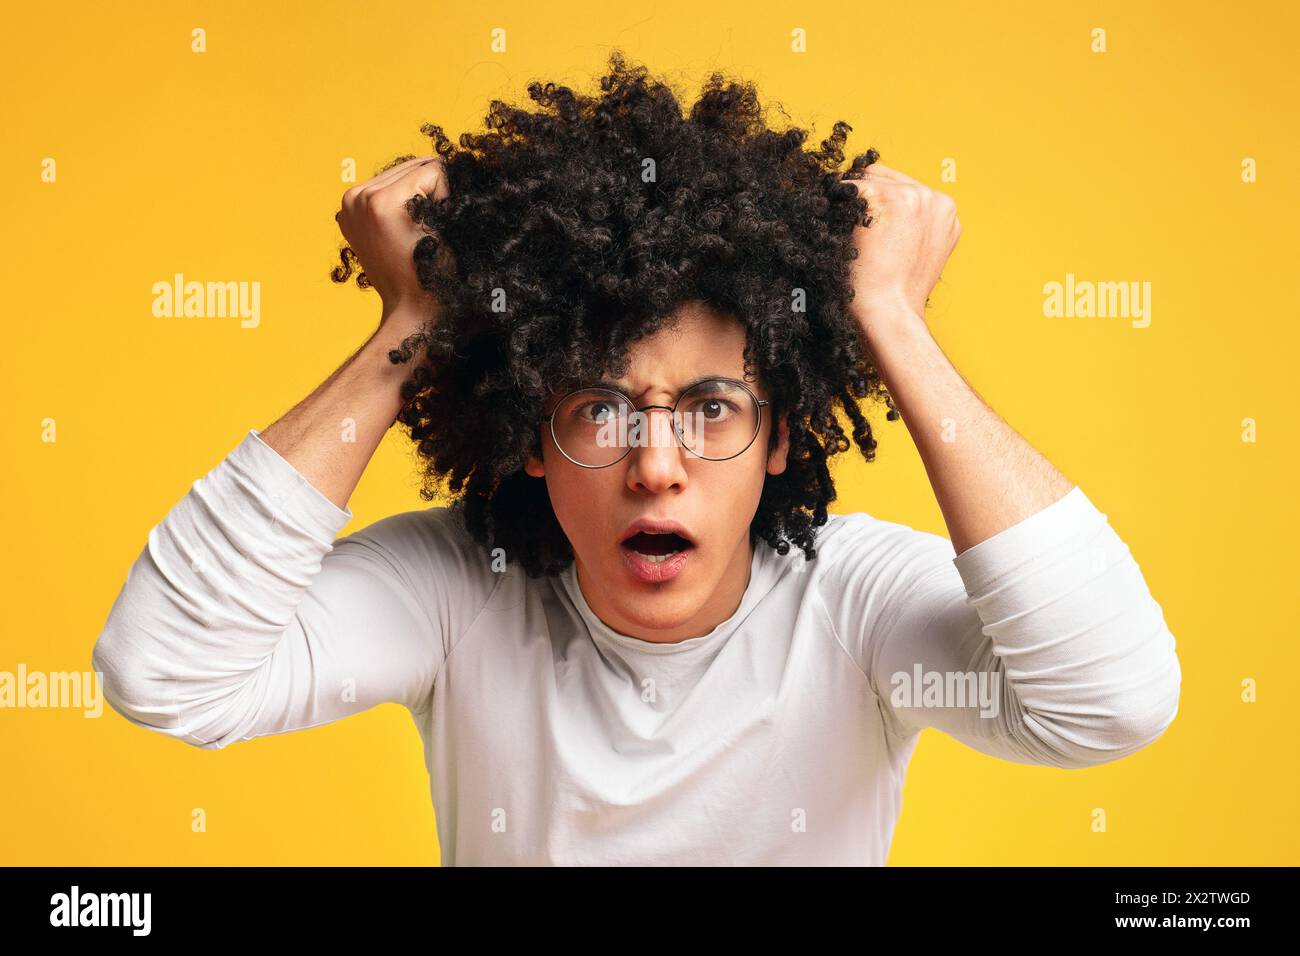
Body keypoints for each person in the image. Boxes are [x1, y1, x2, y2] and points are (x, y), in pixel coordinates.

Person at [91, 53, 1181, 865]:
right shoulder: (460, 588)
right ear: (525, 431)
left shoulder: (853, 599)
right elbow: (166, 673)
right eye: (600, 409)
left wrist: (891, 316)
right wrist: (409, 326)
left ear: (785, 431)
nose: (656, 466)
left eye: (712, 407)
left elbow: (1112, 701)